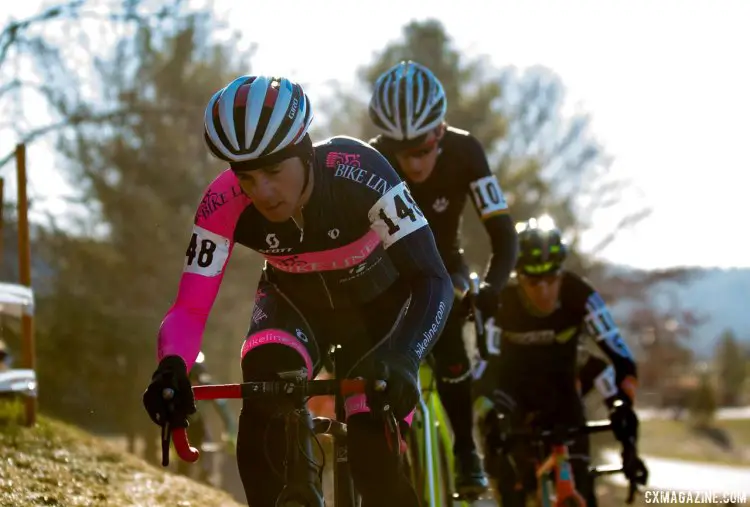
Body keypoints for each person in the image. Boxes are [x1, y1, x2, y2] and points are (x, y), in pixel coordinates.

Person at [141, 74, 453, 506]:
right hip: (295, 305)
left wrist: (405, 355)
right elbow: (190, 309)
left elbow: (433, 279)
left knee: (371, 456)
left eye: (273, 170)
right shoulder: (222, 202)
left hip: (379, 312)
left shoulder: (360, 172)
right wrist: (171, 366)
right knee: (259, 425)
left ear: (305, 151)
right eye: (246, 178)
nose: (262, 193)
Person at [367, 60, 518, 497]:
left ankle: (467, 449)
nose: (413, 163)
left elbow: (502, 232)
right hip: (390, 271)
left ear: (440, 132)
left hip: (446, 266)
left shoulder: (467, 152)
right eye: (402, 152)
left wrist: (492, 286)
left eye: (422, 150)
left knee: (451, 337)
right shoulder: (373, 157)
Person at [474, 215, 647, 507]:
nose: (543, 290)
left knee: (583, 487)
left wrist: (623, 413)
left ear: (562, 274)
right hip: (513, 395)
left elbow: (621, 359)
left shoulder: (580, 295)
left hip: (563, 395)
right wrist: (487, 416)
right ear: (517, 276)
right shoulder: (502, 300)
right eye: (532, 281)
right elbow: (481, 369)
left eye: (551, 279)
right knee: (511, 485)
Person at [177, 351, 238, 483]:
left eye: (197, 378)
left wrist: (230, 432)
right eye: (191, 378)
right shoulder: (176, 386)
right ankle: (184, 475)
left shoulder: (208, 385)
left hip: (197, 425)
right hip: (180, 425)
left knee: (205, 440)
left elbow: (224, 408)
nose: (194, 383)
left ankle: (204, 475)